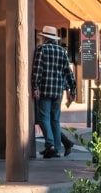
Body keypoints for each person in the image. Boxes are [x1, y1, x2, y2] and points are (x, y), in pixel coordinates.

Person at [30, 25, 75, 158]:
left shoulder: (41, 50)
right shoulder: (62, 51)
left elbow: (37, 70)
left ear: (44, 38)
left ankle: (50, 145)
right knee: (55, 119)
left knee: (43, 118)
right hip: (58, 91)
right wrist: (72, 89)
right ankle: (57, 147)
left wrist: (35, 87)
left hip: (44, 89)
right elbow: (68, 72)